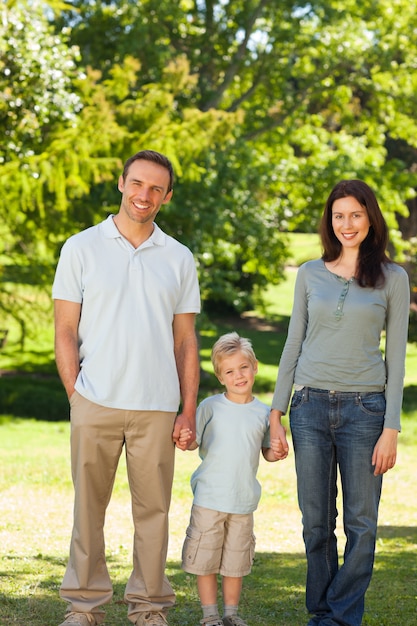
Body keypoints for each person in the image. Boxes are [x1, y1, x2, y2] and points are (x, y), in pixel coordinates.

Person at [52, 149, 201, 626]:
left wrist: (188, 409)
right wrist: (77, 394)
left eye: (156, 188)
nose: (145, 195)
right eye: (138, 183)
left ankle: (149, 607)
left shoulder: (178, 257)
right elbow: (64, 331)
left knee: (154, 512)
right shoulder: (81, 247)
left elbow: (185, 341)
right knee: (87, 509)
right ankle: (83, 605)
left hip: (157, 405)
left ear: (168, 197)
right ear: (121, 183)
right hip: (94, 399)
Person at [269, 179, 410, 626]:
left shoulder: (394, 278)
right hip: (308, 407)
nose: (346, 224)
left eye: (355, 214)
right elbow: (293, 343)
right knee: (315, 522)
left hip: (365, 412)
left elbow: (398, 357)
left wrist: (392, 427)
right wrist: (277, 412)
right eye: (338, 215)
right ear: (329, 222)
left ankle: (341, 617)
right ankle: (322, 613)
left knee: (362, 524)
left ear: (371, 218)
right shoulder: (310, 273)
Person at [180, 332, 289, 626]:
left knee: (235, 562)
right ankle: (210, 615)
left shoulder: (264, 413)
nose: (238, 375)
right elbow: (193, 442)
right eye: (230, 371)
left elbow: (266, 451)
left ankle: (231, 614)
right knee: (205, 560)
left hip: (243, 501)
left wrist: (276, 450)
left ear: (254, 367)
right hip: (210, 499)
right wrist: (185, 437)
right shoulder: (210, 407)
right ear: (220, 377)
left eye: (243, 367)